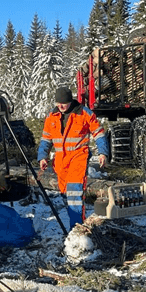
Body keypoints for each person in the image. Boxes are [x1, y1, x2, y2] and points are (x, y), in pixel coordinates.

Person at [37, 86, 109, 228]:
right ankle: (75, 224)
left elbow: (99, 133)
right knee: (66, 193)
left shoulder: (84, 113)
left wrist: (103, 153)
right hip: (61, 162)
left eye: (64, 103)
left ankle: (76, 228)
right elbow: (46, 139)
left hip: (78, 157)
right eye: (58, 103)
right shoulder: (51, 117)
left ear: (70, 101)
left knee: (74, 192)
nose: (61, 106)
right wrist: (42, 157)